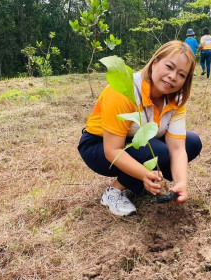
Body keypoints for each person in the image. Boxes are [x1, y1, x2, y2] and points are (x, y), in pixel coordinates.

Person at [78, 41, 202, 216]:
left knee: (192, 143)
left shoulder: (176, 101)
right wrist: (144, 174)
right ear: (155, 62)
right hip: (99, 146)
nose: (173, 76)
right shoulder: (124, 90)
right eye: (169, 66)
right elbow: (112, 150)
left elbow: (178, 148)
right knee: (159, 151)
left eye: (181, 74)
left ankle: (139, 181)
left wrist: (182, 182)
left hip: (136, 143)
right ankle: (113, 192)